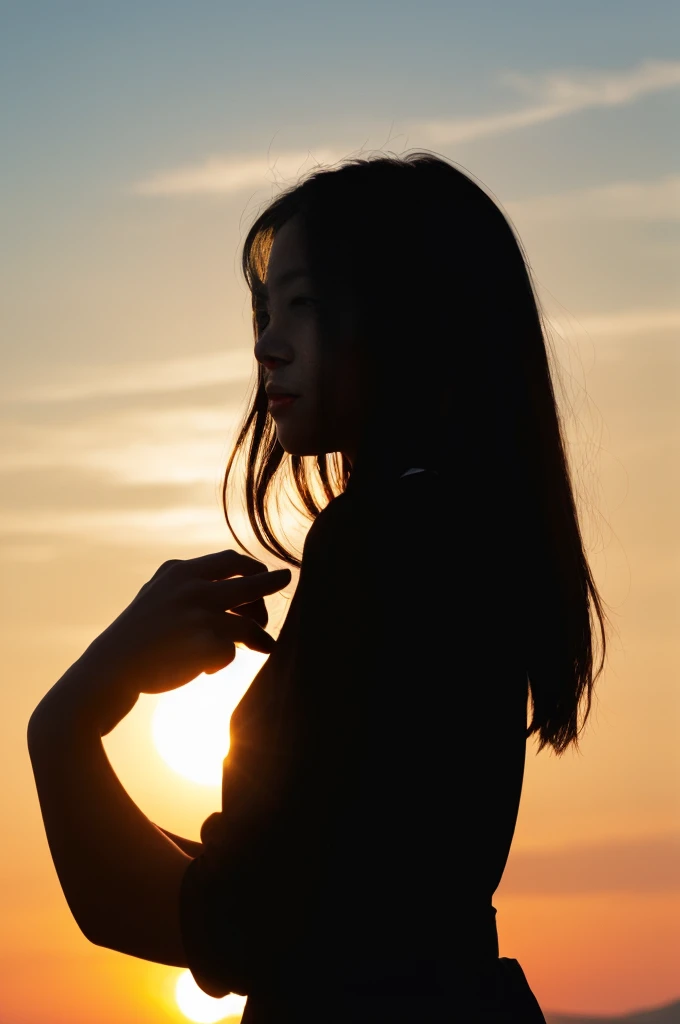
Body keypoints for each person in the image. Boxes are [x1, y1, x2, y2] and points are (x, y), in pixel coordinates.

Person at [28, 151, 613, 1022]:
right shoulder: (462, 532)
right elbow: (315, 897)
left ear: (408, 317)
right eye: (264, 311)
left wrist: (70, 716)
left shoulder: (388, 542)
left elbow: (230, 926)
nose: (267, 342)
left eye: (301, 304)